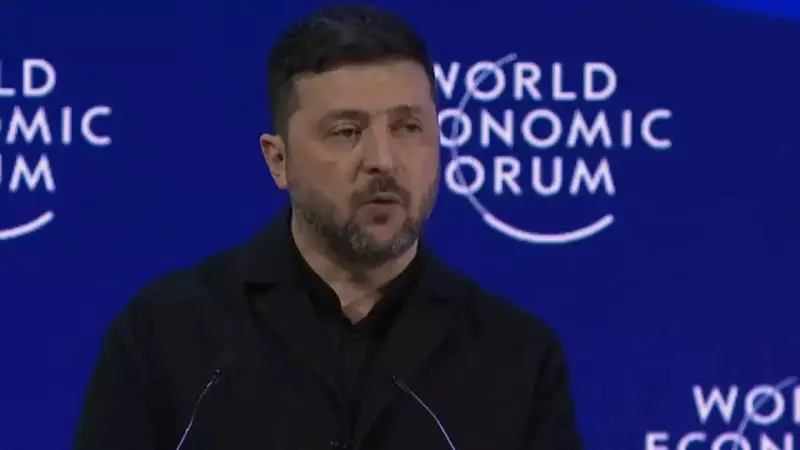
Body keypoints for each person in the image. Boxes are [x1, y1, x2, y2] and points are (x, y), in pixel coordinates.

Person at [74, 4, 583, 449]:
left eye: (408, 127)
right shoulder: (166, 337)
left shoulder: (517, 356)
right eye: (347, 132)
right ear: (279, 161)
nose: (383, 160)